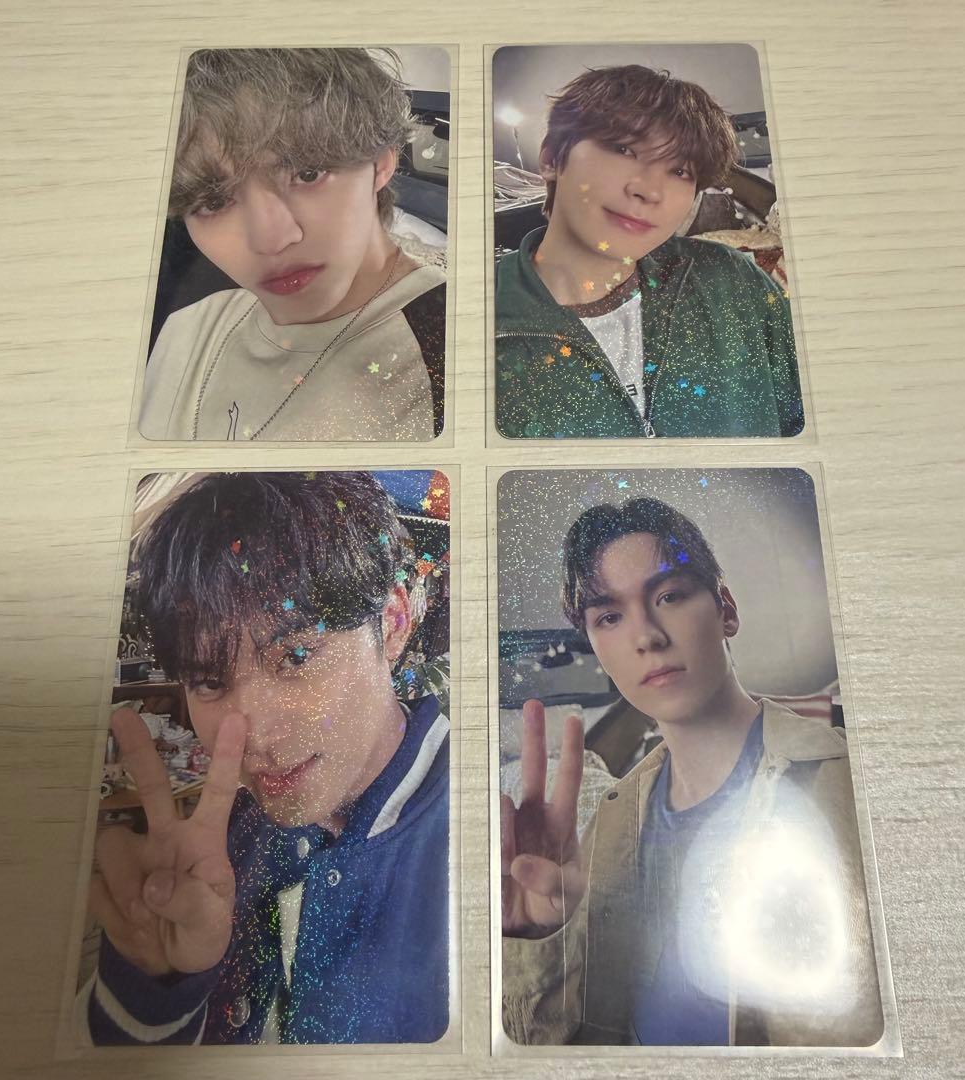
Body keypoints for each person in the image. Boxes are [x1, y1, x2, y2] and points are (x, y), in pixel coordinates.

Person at [76, 472, 449, 1044]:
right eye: (209, 681)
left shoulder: (485, 828)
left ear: (393, 622)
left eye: (296, 656)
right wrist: (156, 987)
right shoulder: (220, 843)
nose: (251, 734)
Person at [501, 497, 881, 1046]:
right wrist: (542, 940)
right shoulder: (609, 823)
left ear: (726, 609)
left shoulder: (850, 786)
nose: (646, 636)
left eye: (669, 596)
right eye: (610, 617)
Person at [139, 49, 446, 442]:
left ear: (381, 164)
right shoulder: (186, 330)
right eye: (213, 202)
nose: (271, 240)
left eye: (308, 174)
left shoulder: (454, 347)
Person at [494, 65, 803, 439]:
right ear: (551, 159)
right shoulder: (475, 318)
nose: (650, 191)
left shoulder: (734, 283)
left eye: (680, 172)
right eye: (623, 149)